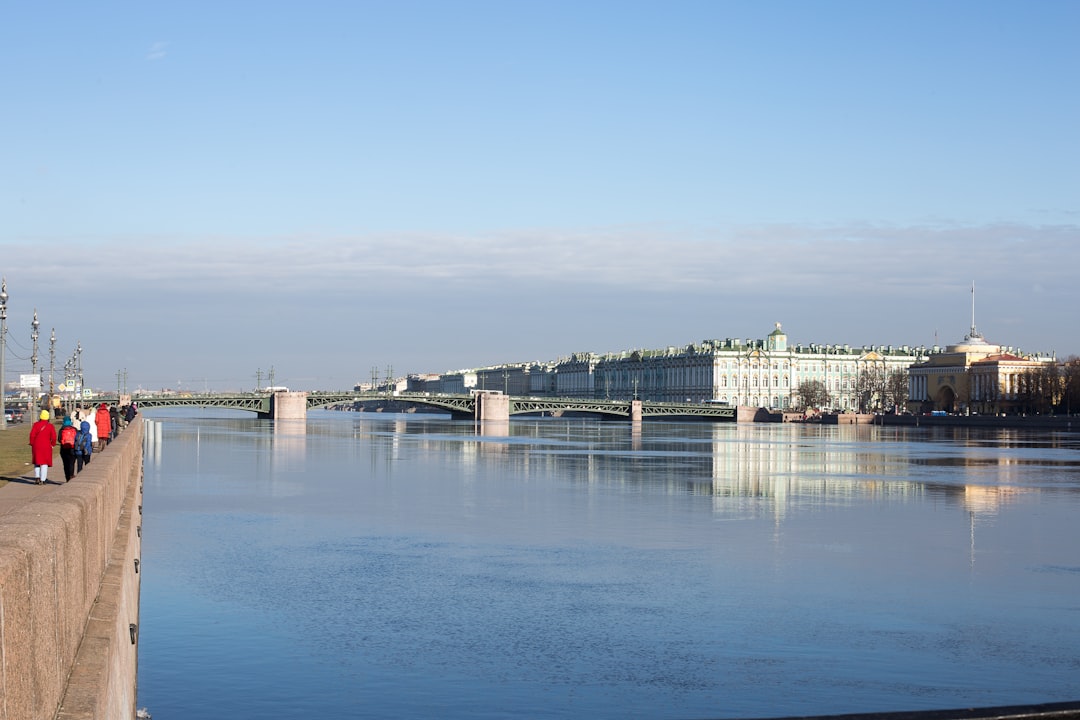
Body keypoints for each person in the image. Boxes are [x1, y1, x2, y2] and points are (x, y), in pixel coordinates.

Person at [28, 409, 57, 485]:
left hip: (36, 445)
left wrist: (32, 443)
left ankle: (37, 477)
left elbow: (32, 435)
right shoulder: (50, 426)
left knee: (37, 462)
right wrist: (52, 444)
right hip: (46, 446)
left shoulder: (36, 425)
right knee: (44, 463)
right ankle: (43, 479)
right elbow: (54, 437)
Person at [58, 416, 78, 481]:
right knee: (72, 462)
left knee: (65, 463)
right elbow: (77, 438)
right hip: (72, 448)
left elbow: (59, 439)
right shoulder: (74, 429)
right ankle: (71, 474)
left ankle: (67, 477)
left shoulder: (62, 429)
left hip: (64, 449)